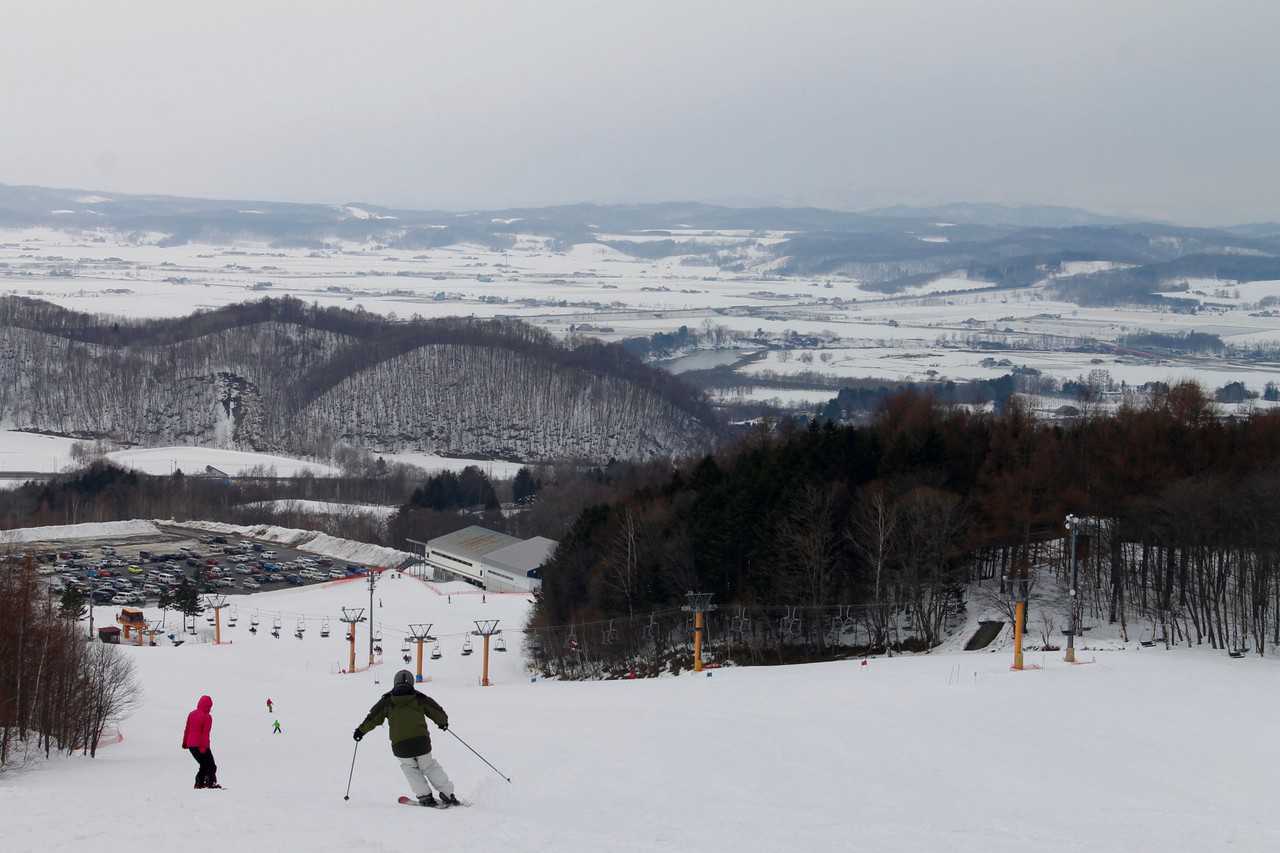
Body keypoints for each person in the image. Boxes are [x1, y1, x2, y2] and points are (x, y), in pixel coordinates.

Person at [354, 669, 459, 807]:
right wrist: (442, 722)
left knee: (410, 769)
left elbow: (373, 718)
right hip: (421, 743)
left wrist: (360, 731)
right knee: (429, 766)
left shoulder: (387, 701)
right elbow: (436, 711)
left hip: (400, 746)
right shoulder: (419, 698)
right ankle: (448, 793)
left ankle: (425, 797)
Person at [181, 695, 220, 789]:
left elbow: (187, 729)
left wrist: (185, 742)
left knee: (204, 764)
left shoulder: (191, 714)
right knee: (210, 765)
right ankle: (209, 783)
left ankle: (200, 783)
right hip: (201, 745)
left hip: (191, 745)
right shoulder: (207, 717)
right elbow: (205, 734)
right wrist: (203, 748)